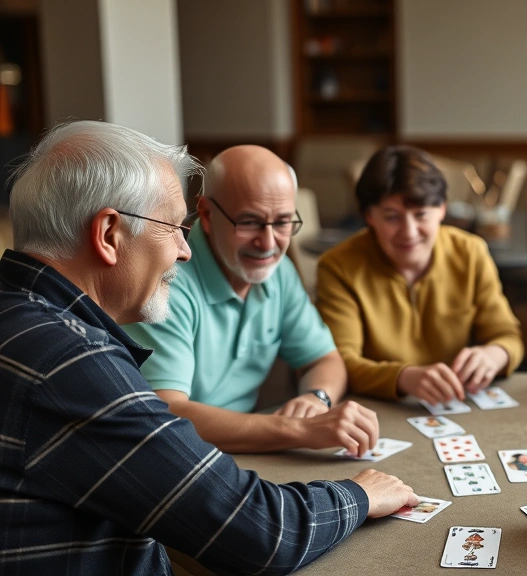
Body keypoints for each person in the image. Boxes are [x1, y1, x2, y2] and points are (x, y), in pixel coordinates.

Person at [0, 121, 417, 574]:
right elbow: (260, 534)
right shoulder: (73, 361)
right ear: (108, 234)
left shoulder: (23, 317)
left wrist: (312, 402)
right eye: (174, 227)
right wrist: (361, 493)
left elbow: (323, 358)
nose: (184, 249)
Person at [123, 145, 378, 455]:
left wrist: (317, 398)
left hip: (249, 448)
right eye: (249, 222)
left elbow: (325, 359)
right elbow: (168, 412)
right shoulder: (166, 282)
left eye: (283, 222)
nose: (268, 243)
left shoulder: (279, 271)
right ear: (206, 214)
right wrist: (298, 429)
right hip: (176, 455)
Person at [316, 145, 523, 404]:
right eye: (392, 217)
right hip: (375, 406)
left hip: (457, 399)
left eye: (421, 215)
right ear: (369, 216)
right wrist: (403, 376)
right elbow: (340, 362)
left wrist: (495, 354)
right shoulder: (338, 266)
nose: (409, 232)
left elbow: (508, 335)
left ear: (442, 209)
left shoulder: (470, 252)